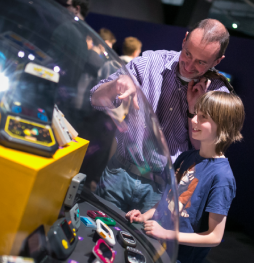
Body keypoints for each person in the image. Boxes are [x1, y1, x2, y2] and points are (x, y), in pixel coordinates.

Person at [90, 19, 232, 213]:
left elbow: (204, 151)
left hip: (163, 191)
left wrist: (194, 110)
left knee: (146, 243)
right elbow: (95, 98)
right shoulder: (150, 63)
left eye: (201, 62)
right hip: (119, 173)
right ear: (184, 40)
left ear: (217, 61)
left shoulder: (218, 93)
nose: (189, 66)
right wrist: (117, 84)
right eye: (187, 53)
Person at [126, 91, 245, 263]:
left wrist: (167, 234)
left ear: (223, 125)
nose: (194, 120)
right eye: (196, 113)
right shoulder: (186, 157)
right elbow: (168, 199)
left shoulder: (222, 177)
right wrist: (146, 216)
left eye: (203, 117)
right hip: (155, 246)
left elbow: (214, 237)